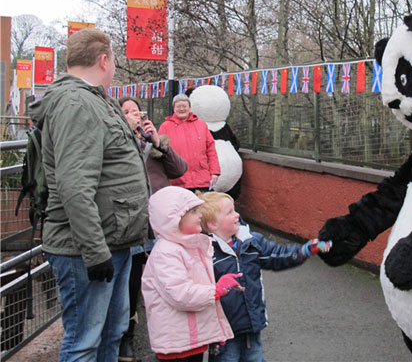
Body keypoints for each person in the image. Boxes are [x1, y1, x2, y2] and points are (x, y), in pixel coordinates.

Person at [29, 28, 149, 362]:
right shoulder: (77, 103)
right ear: (104, 59)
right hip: (88, 249)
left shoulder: (95, 99)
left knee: (110, 336)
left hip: (114, 243)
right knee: (84, 343)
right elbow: (75, 185)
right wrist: (95, 253)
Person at [197, 191, 332, 362]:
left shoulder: (251, 242)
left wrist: (304, 250)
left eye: (235, 209)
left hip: (252, 323)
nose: (237, 214)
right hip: (223, 331)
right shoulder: (204, 253)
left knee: (255, 358)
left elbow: (276, 255)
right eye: (230, 212)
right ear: (212, 224)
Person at [117, 96, 188, 362]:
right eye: (127, 112)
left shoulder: (155, 146)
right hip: (132, 222)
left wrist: (157, 142)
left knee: (167, 280)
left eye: (137, 111)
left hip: (159, 222)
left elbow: (181, 169)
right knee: (131, 283)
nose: (135, 115)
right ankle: (127, 338)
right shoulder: (118, 144)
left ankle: (173, 337)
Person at [141, 186, 239, 361]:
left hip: (190, 338)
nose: (200, 215)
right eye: (193, 211)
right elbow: (180, 294)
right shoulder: (167, 253)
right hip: (177, 343)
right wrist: (215, 291)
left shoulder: (191, 246)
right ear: (174, 219)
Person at [158, 93, 221, 193]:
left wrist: (215, 172)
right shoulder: (165, 127)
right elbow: (159, 153)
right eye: (178, 106)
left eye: (184, 106)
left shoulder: (201, 125)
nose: (181, 109)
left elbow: (211, 150)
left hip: (201, 180)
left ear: (190, 107)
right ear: (173, 109)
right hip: (177, 181)